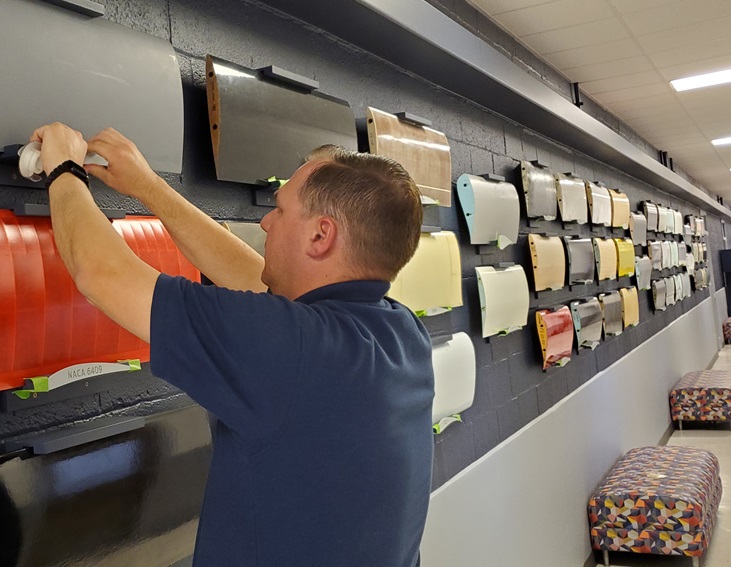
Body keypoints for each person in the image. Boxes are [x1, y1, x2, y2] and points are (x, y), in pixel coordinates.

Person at [30, 122, 433, 567]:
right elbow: (253, 275)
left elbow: (101, 274)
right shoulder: (400, 333)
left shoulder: (293, 349)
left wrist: (64, 170)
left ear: (321, 236)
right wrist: (146, 186)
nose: (265, 221)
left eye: (280, 211)